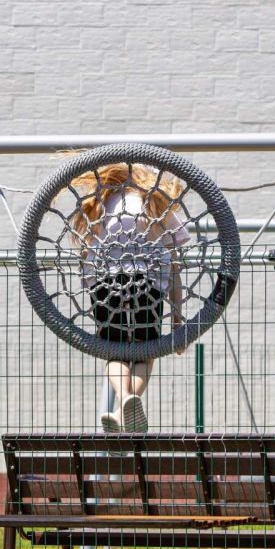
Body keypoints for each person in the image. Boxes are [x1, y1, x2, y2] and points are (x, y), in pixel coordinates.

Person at [71, 163, 188, 432]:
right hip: (146, 284)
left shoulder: (100, 203)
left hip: (105, 285)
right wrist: (177, 319)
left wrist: (91, 284)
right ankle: (127, 405)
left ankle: (122, 403)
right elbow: (174, 267)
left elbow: (86, 254)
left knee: (114, 353)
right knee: (146, 354)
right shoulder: (154, 201)